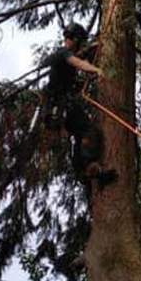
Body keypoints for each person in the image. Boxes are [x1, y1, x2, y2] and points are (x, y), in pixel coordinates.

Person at [43, 22, 116, 189]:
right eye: (80, 42)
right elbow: (78, 62)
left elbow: (75, 71)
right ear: (75, 39)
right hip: (62, 106)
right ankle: (90, 166)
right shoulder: (63, 53)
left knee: (79, 136)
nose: (80, 46)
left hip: (59, 107)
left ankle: (84, 171)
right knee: (88, 131)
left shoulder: (63, 61)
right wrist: (96, 70)